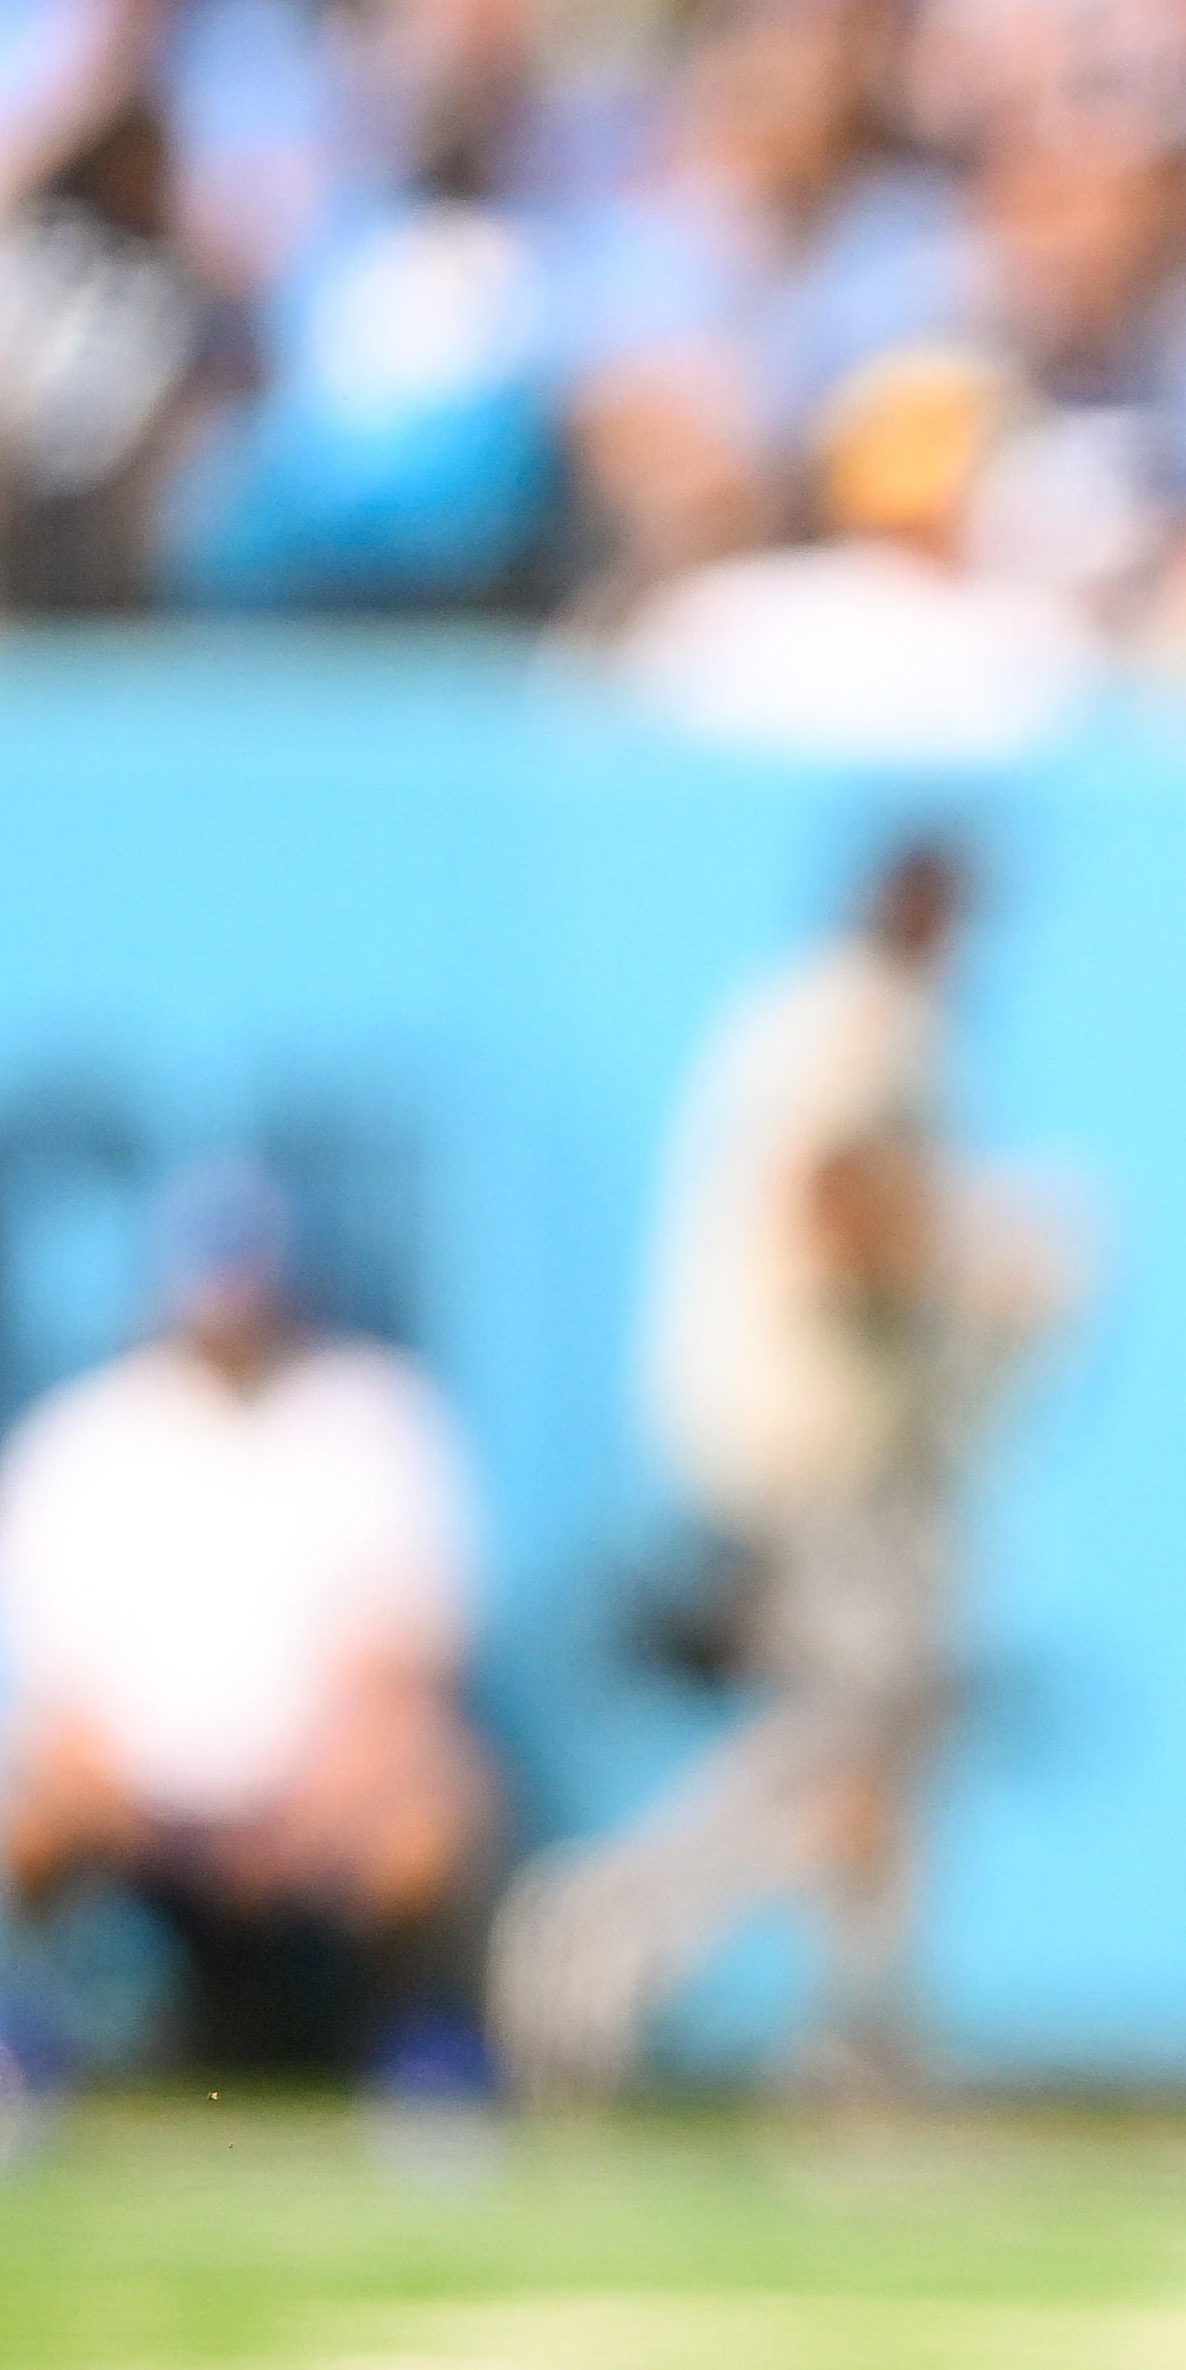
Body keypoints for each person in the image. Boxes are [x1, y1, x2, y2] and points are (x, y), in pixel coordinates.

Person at [491, 833, 1071, 2105]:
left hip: (812, 1439)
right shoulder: (859, 1024)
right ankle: (606, 1931)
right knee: (841, 1743)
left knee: (882, 1742)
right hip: (829, 1447)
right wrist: (989, 1264)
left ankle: (860, 2031)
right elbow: (837, 1203)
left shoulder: (801, 1016)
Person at [0, 1157, 489, 2086]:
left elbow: (401, 1664)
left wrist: (306, 1798)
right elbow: (47, 1684)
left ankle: (418, 2046)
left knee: (434, 1800)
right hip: (141, 1800)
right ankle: (20, 2033)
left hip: (316, 1793)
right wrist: (133, 1798)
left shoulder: (369, 1416)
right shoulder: (83, 1436)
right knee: (11, 1802)